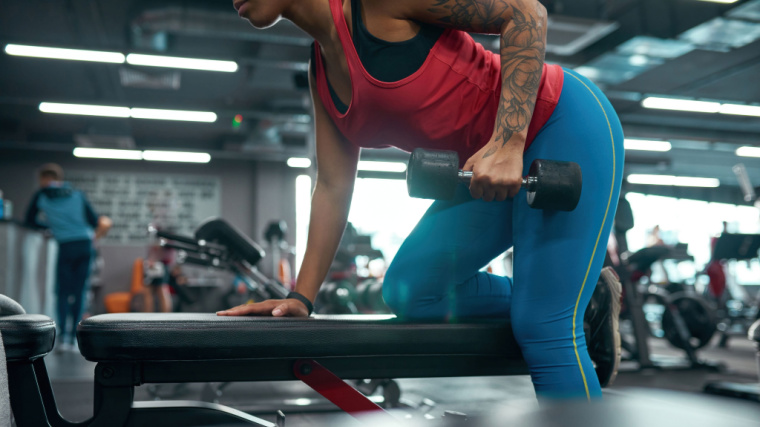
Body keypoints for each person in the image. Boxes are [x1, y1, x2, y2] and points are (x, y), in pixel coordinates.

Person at [218, 0, 625, 400]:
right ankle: (584, 299)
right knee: (411, 291)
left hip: (561, 122)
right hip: (488, 171)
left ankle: (563, 304)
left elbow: (525, 13)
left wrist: (507, 142)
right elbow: (331, 185)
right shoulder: (320, 68)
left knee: (544, 327)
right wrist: (300, 299)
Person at [24, 164, 112, 350]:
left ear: (43, 178)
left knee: (63, 292)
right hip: (84, 245)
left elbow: (29, 220)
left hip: (65, 246)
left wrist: (48, 227)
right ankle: (74, 338)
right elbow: (94, 220)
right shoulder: (77, 193)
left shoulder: (41, 195)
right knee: (80, 291)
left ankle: (63, 337)